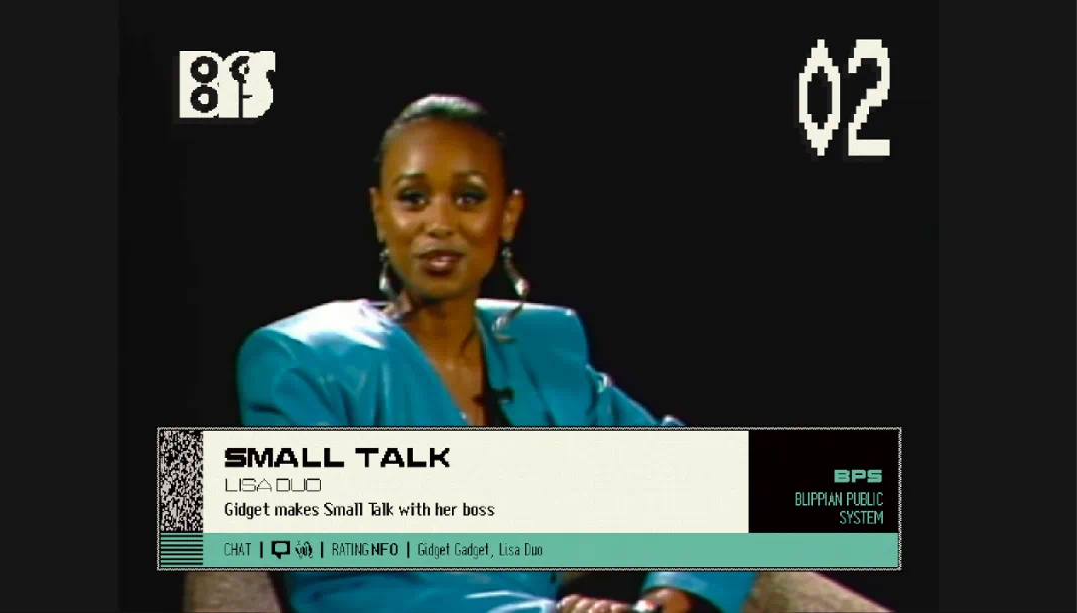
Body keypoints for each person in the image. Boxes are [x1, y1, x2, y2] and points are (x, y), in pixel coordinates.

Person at [232, 94, 757, 613]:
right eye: (413, 199)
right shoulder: (298, 362)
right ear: (379, 213)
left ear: (508, 215)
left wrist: (668, 598)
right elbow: (339, 590)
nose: (440, 223)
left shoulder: (542, 350)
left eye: (468, 198)